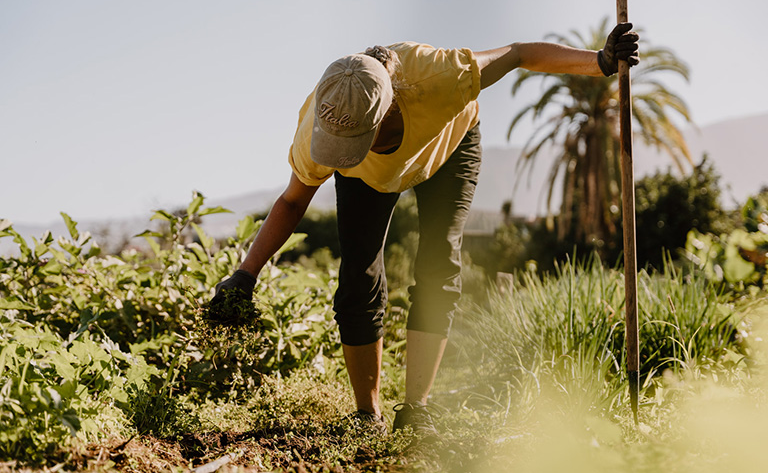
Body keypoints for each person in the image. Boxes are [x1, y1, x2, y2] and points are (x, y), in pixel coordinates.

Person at [208, 23, 640, 436]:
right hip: (372, 177)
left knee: (438, 261)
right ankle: (367, 414)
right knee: (358, 275)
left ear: (387, 110)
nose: (342, 152)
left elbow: (519, 54)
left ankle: (417, 408)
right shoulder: (324, 125)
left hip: (448, 147)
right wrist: (246, 274)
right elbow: (291, 200)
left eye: (354, 141)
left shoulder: (441, 75)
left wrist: (600, 61)